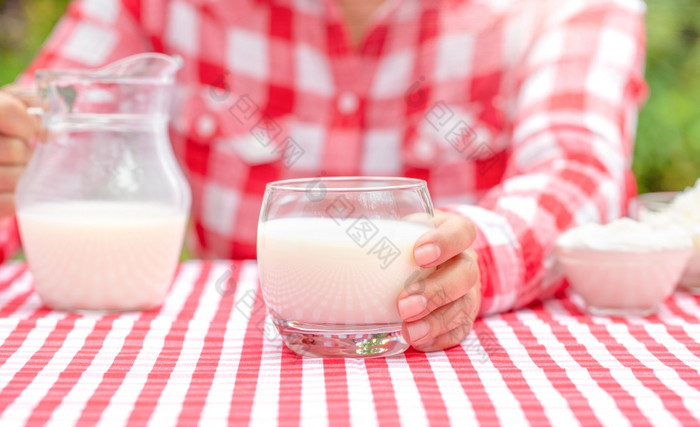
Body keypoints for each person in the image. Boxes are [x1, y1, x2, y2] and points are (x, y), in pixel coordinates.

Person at [0, 0, 646, 352]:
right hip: (241, 380)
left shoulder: (561, 10)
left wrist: (474, 255)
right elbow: (36, 128)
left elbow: (580, 169)